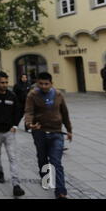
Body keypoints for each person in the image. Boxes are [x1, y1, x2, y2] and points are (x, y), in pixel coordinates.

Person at [24, 72, 73, 200]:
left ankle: (61, 192)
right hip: (39, 132)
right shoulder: (32, 95)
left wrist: (69, 129)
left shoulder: (58, 94)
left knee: (56, 162)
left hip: (56, 132)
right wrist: (29, 124)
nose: (44, 86)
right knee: (42, 158)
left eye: (46, 84)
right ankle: (45, 179)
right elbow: (29, 111)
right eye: (41, 84)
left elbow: (65, 113)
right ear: (37, 83)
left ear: (52, 83)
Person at [0, 72, 25, 197]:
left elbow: (18, 112)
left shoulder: (12, 96)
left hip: (9, 132)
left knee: (12, 157)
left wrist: (15, 126)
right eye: (2, 82)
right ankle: (0, 170)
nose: (5, 85)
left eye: (6, 82)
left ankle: (16, 184)